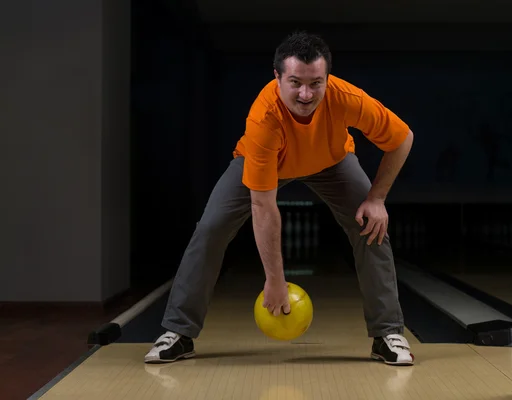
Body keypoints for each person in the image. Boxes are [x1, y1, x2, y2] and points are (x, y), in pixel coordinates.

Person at [144, 31, 415, 366]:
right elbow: (263, 205)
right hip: (268, 162)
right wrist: (274, 280)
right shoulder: (264, 117)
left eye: (316, 83)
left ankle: (388, 334)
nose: (306, 93)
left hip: (332, 162)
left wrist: (377, 198)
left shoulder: (346, 97)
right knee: (211, 228)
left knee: (371, 227)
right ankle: (178, 333)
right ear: (277, 77)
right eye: (295, 82)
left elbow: (402, 138)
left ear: (327, 78)